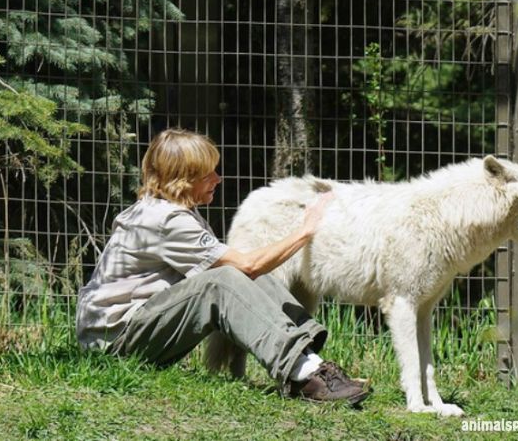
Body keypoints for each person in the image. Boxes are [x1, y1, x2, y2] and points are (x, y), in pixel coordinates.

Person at [76, 128, 368, 405]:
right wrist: (306, 230)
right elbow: (248, 265)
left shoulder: (171, 210)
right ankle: (305, 374)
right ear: (183, 179)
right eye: (208, 174)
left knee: (240, 272)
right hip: (113, 344)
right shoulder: (167, 221)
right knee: (227, 277)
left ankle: (309, 362)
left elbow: (247, 269)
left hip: (130, 333)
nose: (218, 178)